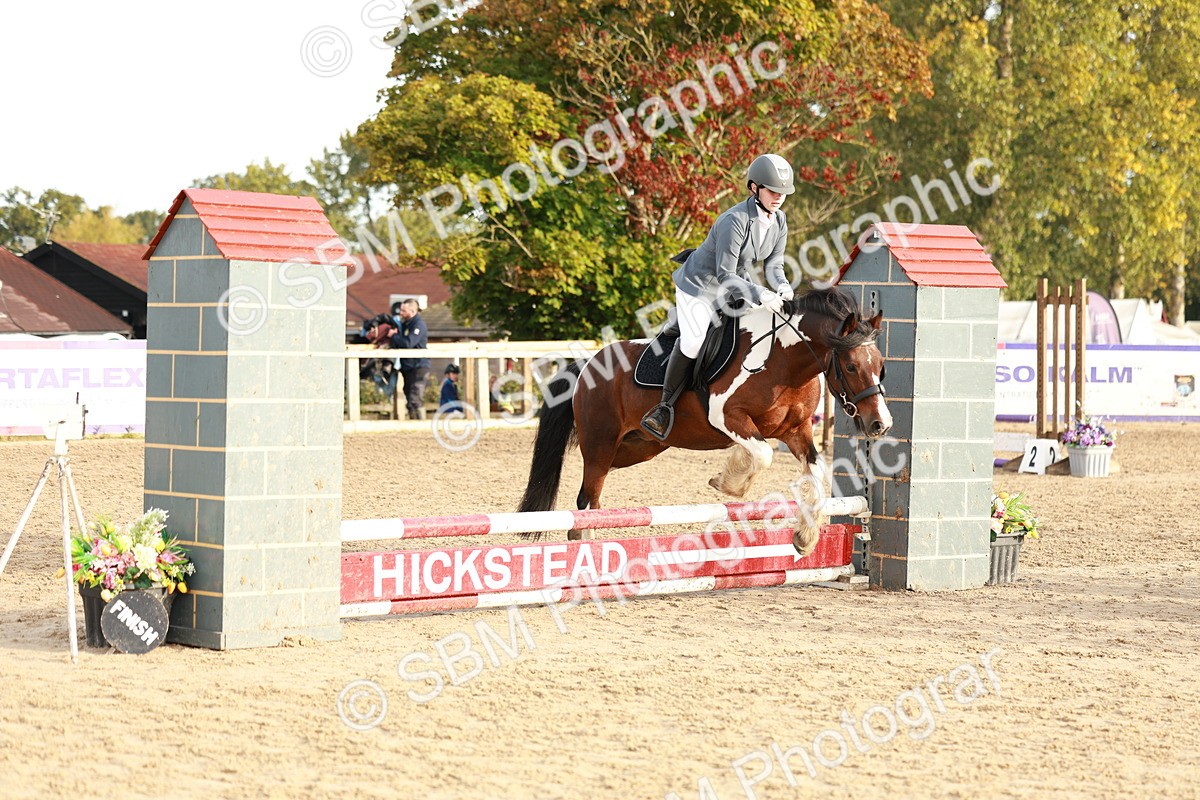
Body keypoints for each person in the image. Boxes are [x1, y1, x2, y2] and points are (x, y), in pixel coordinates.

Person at [640, 153, 796, 440]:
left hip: (738, 283)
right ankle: (663, 408)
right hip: (700, 286)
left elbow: (774, 265)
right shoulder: (734, 220)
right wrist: (762, 293)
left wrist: (783, 287)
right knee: (693, 341)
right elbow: (725, 275)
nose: (778, 198)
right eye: (773, 191)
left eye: (783, 193)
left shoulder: (780, 221)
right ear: (754, 188)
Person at [388, 298, 431, 419]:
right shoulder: (404, 324)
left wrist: (394, 336)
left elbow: (408, 343)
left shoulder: (418, 325)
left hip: (419, 365)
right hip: (408, 366)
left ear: (412, 311)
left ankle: (421, 425)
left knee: (415, 397)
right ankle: (414, 423)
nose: (400, 312)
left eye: (403, 310)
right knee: (408, 394)